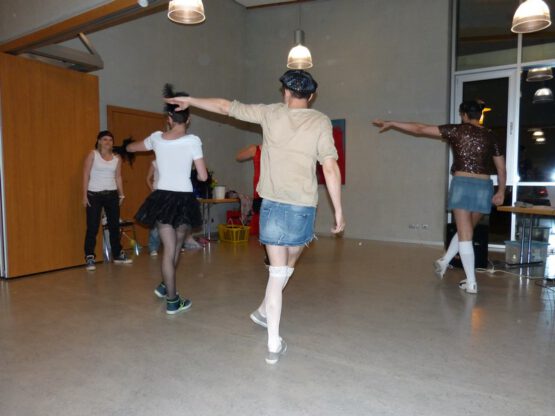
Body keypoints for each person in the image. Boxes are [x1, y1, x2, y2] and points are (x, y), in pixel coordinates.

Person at [165, 69, 345, 364]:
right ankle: (271, 336)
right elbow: (330, 166)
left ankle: (266, 321)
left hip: (271, 206)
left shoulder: (270, 113)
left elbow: (225, 106)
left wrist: (190, 100)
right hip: (302, 208)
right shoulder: (320, 121)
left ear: (285, 92)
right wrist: (338, 209)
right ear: (311, 96)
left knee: (280, 271)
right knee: (284, 268)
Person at [373, 100, 506, 294]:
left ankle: (471, 283)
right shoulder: (491, 135)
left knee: (465, 234)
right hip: (484, 187)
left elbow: (419, 128)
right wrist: (501, 191)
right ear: (480, 115)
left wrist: (392, 122)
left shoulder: (456, 130)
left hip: (463, 185)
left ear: (463, 115)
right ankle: (445, 261)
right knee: (467, 230)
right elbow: (501, 168)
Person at [127, 84, 208, 315]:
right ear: (188, 119)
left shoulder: (156, 138)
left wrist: (124, 147)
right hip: (183, 199)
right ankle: (173, 301)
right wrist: (194, 172)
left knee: (169, 248)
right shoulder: (193, 140)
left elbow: (132, 148)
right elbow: (203, 176)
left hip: (162, 198)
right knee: (176, 247)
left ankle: (166, 287)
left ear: (169, 119)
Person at [83, 130, 133, 271]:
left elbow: (118, 177)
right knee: (93, 227)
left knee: (114, 226)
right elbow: (86, 174)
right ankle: (90, 256)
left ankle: (117, 254)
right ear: (99, 141)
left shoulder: (117, 158)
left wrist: (121, 195)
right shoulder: (92, 154)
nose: (108, 142)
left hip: (112, 195)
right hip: (94, 195)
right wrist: (84, 195)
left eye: (110, 140)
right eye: (105, 139)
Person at [235, 143, 269, 265]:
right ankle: (270, 256)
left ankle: (272, 256)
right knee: (264, 227)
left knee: (268, 227)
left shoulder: (275, 149)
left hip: (272, 193)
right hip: (261, 193)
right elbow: (238, 156)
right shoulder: (256, 149)